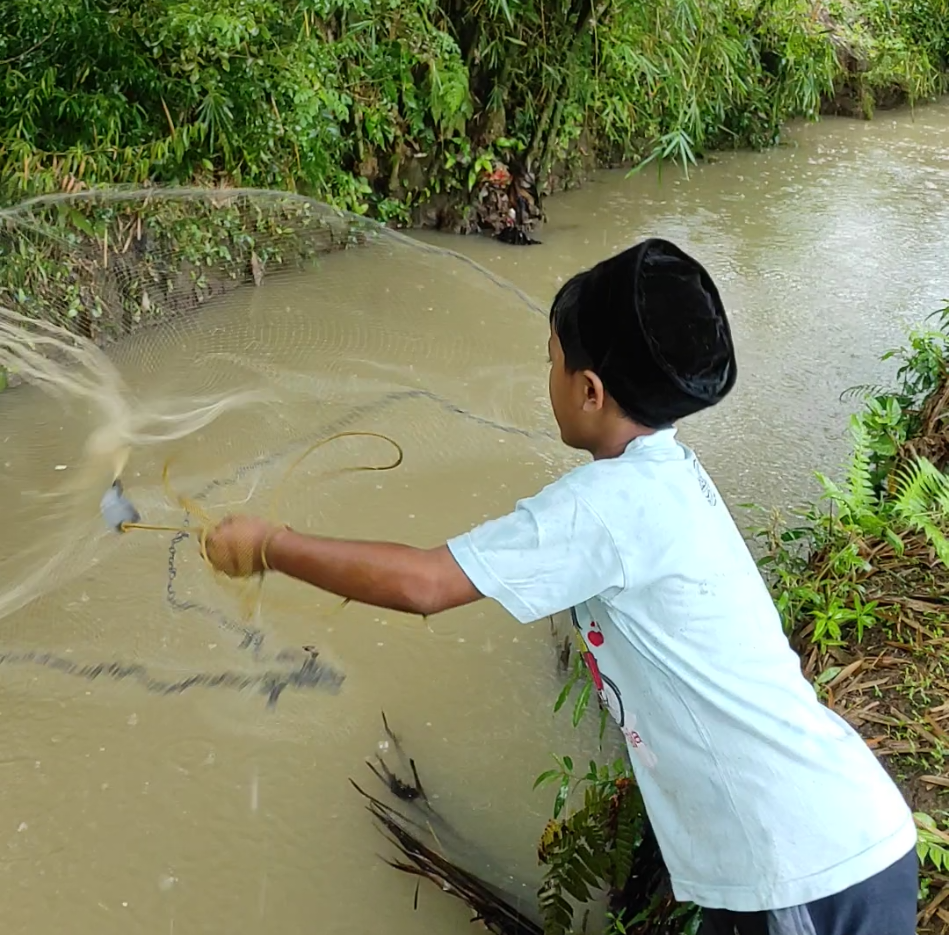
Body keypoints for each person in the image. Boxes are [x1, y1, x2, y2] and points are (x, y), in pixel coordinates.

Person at [205, 238, 918, 935]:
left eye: (548, 360)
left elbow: (425, 583)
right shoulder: (663, 474)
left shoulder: (606, 506)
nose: (544, 376)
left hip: (802, 868)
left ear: (588, 389)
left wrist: (271, 545)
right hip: (824, 841)